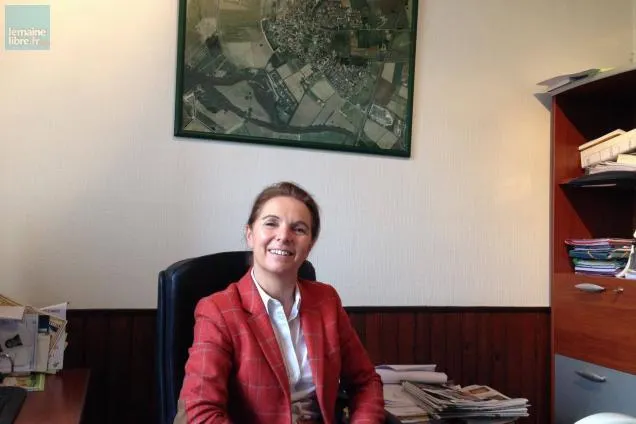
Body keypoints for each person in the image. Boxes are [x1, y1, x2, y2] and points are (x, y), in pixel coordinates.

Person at [174, 181, 385, 424]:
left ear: (310, 246)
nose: (284, 236)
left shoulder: (326, 301)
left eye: (299, 229)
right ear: (250, 235)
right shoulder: (218, 311)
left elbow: (365, 381)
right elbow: (200, 410)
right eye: (271, 223)